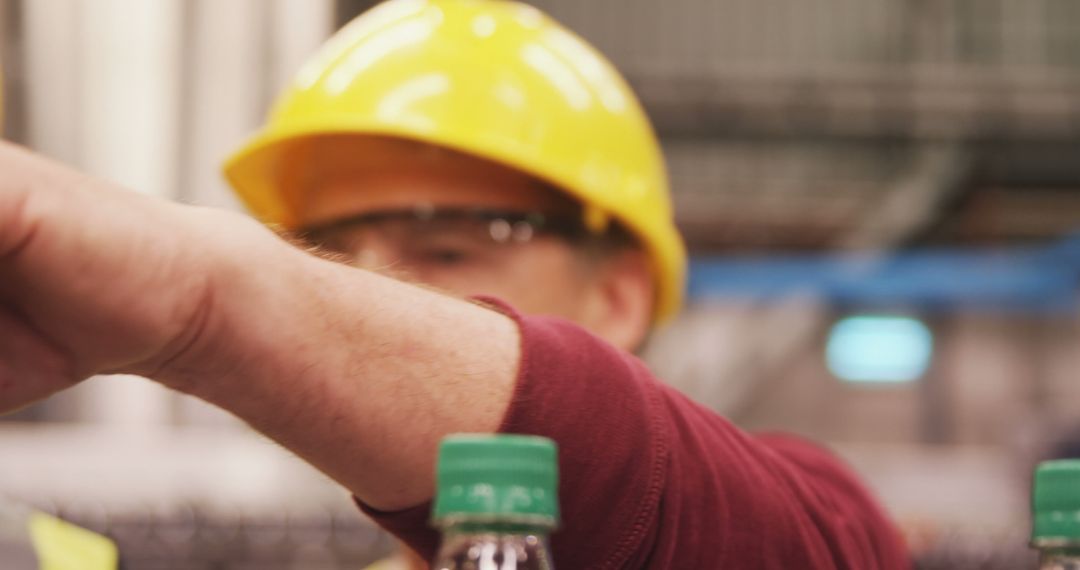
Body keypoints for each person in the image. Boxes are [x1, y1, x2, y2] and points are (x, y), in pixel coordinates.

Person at [0, 0, 909, 567]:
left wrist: (211, 304)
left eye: (449, 248)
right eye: (326, 251)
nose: (367, 290)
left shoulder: (807, 518)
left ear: (621, 296)